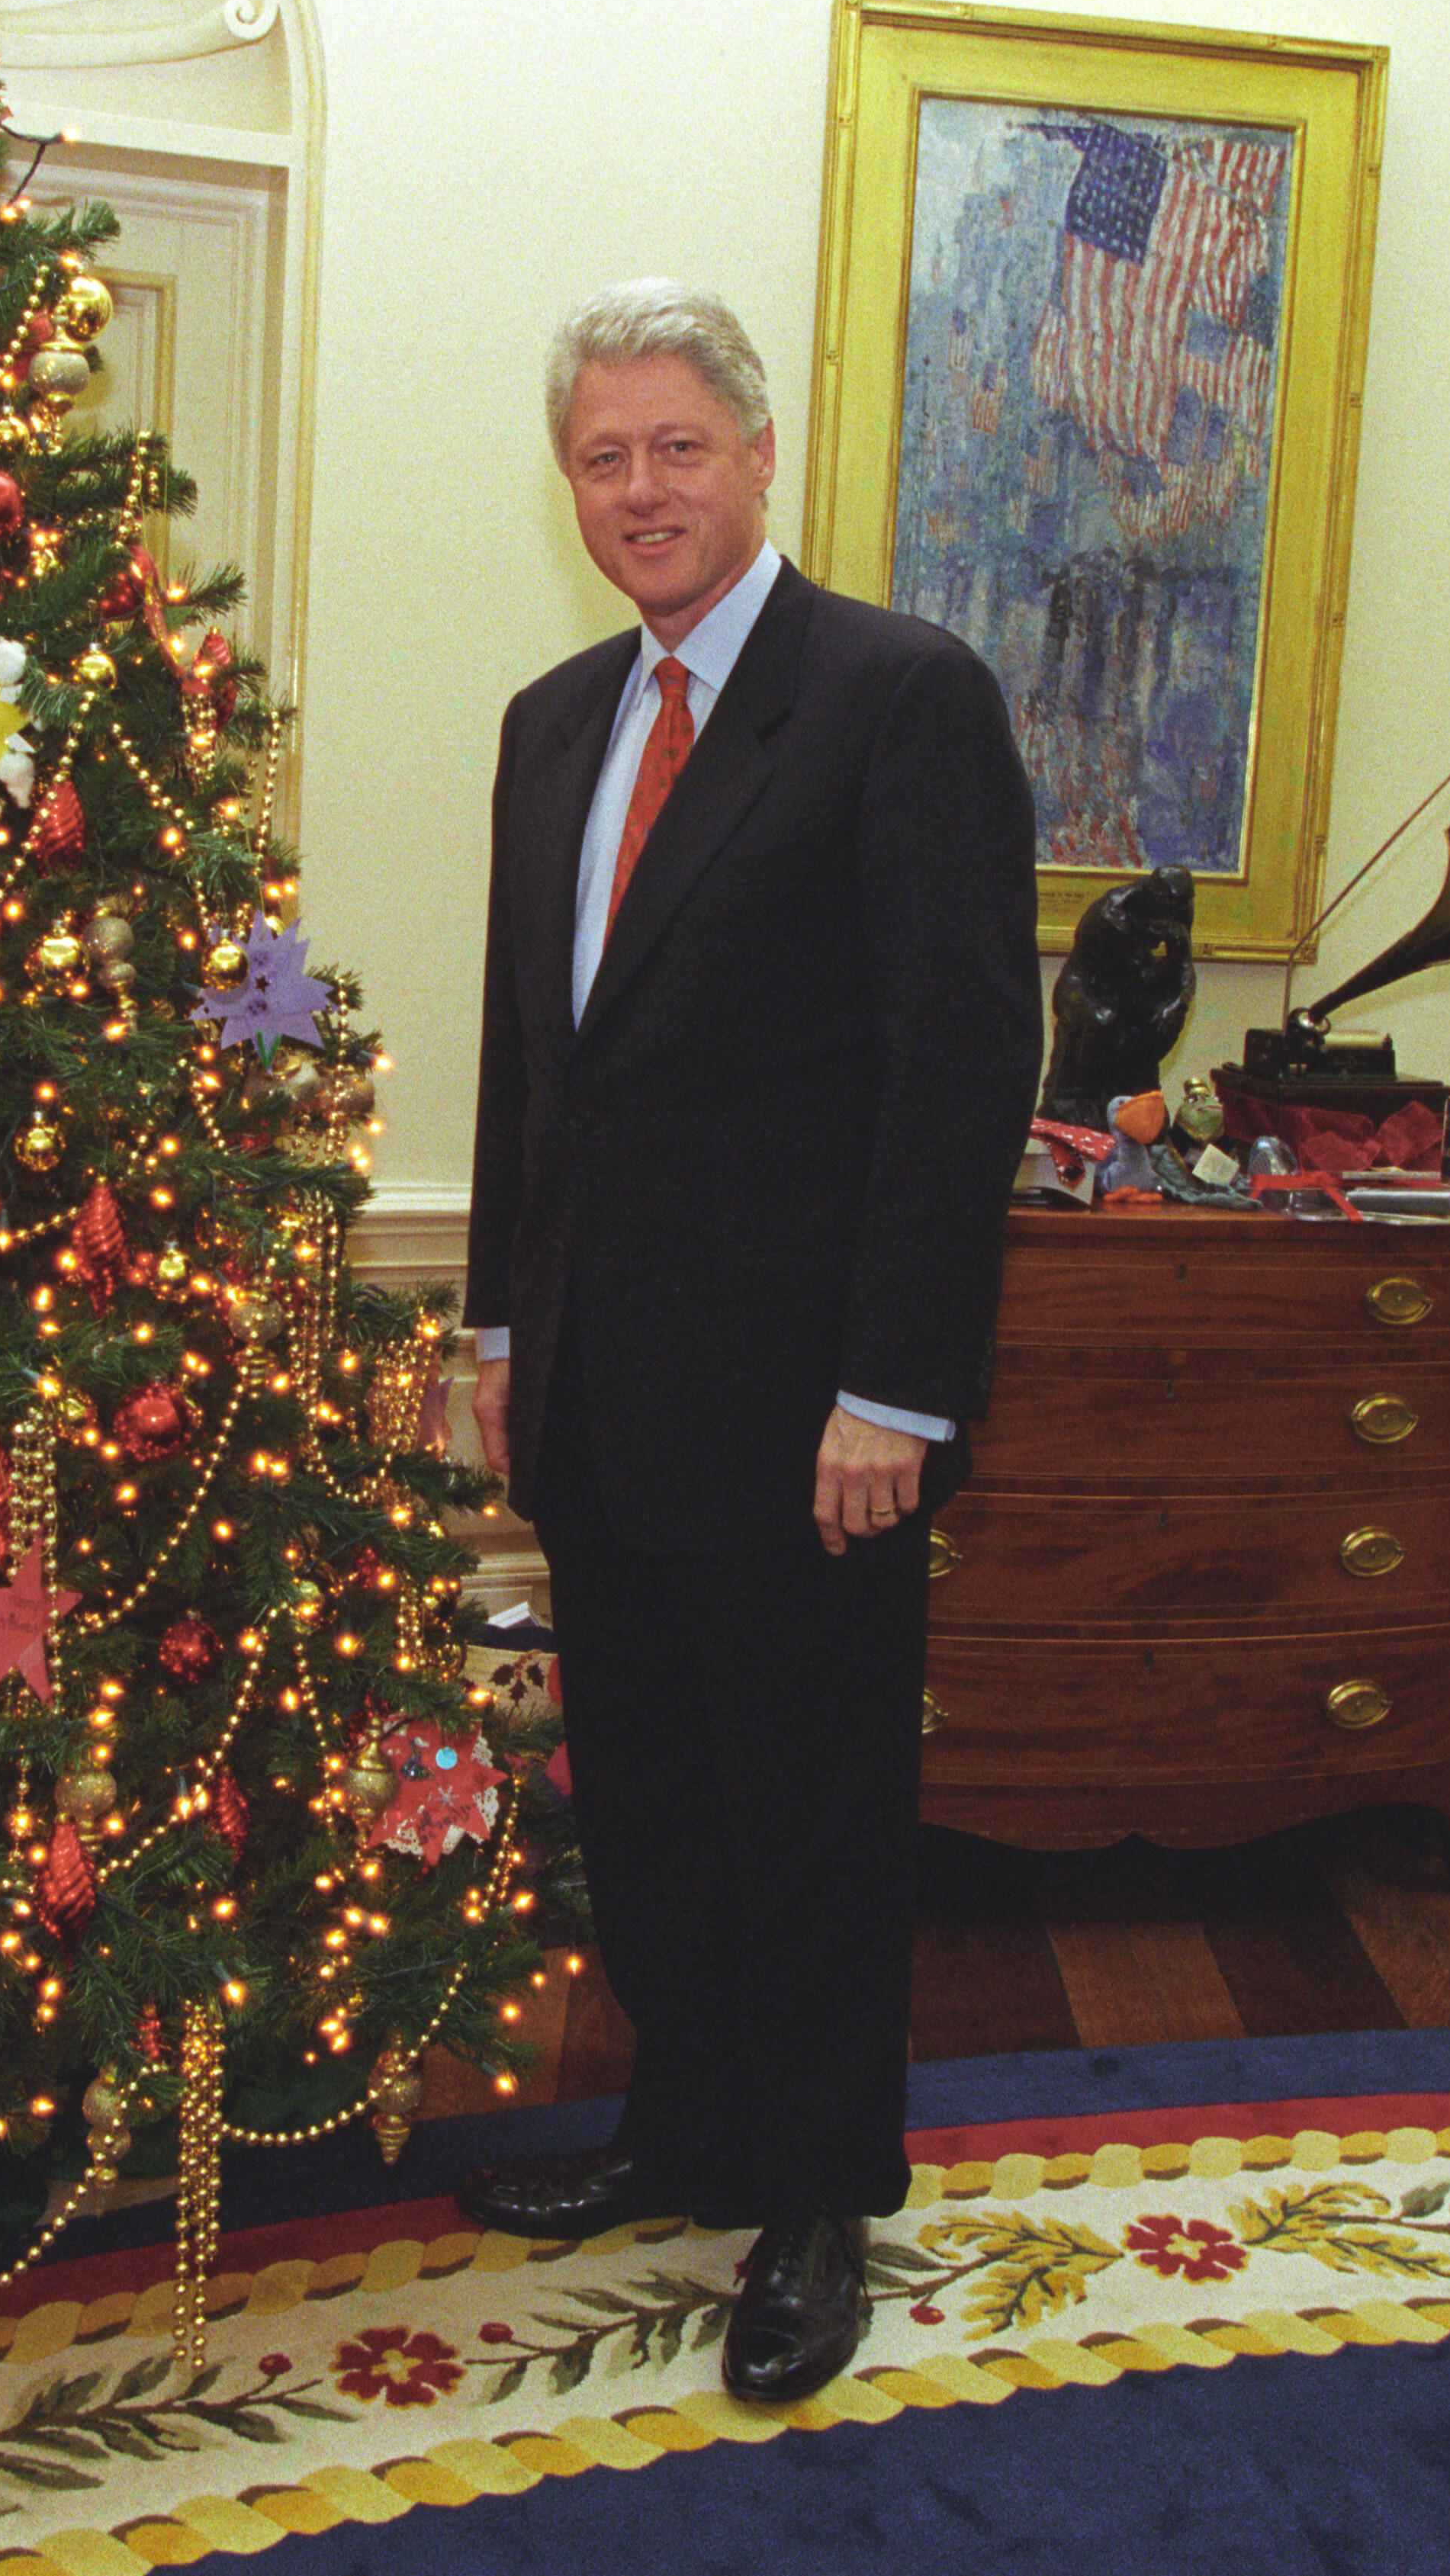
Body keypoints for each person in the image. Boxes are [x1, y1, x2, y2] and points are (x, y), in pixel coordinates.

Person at [459, 279, 1039, 2402]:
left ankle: (814, 2192)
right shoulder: (549, 724)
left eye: (674, 448)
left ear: (756, 453)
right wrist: (503, 1322)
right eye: (603, 457)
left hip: (816, 1413)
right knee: (659, 1797)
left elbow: (959, 1065)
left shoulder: (896, 697)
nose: (639, 491)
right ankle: (684, 2127)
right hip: (600, 1389)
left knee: (803, 1806)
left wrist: (894, 1381)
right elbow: (545, 1065)